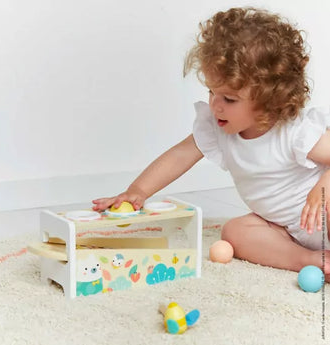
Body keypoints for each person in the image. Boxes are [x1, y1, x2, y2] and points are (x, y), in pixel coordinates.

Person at [92, 7, 330, 279]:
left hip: (323, 213)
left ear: (269, 101)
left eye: (229, 99)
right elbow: (180, 155)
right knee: (235, 232)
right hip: (286, 228)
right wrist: (137, 190)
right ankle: (309, 259)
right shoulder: (218, 130)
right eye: (211, 92)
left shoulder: (294, 132)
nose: (215, 105)